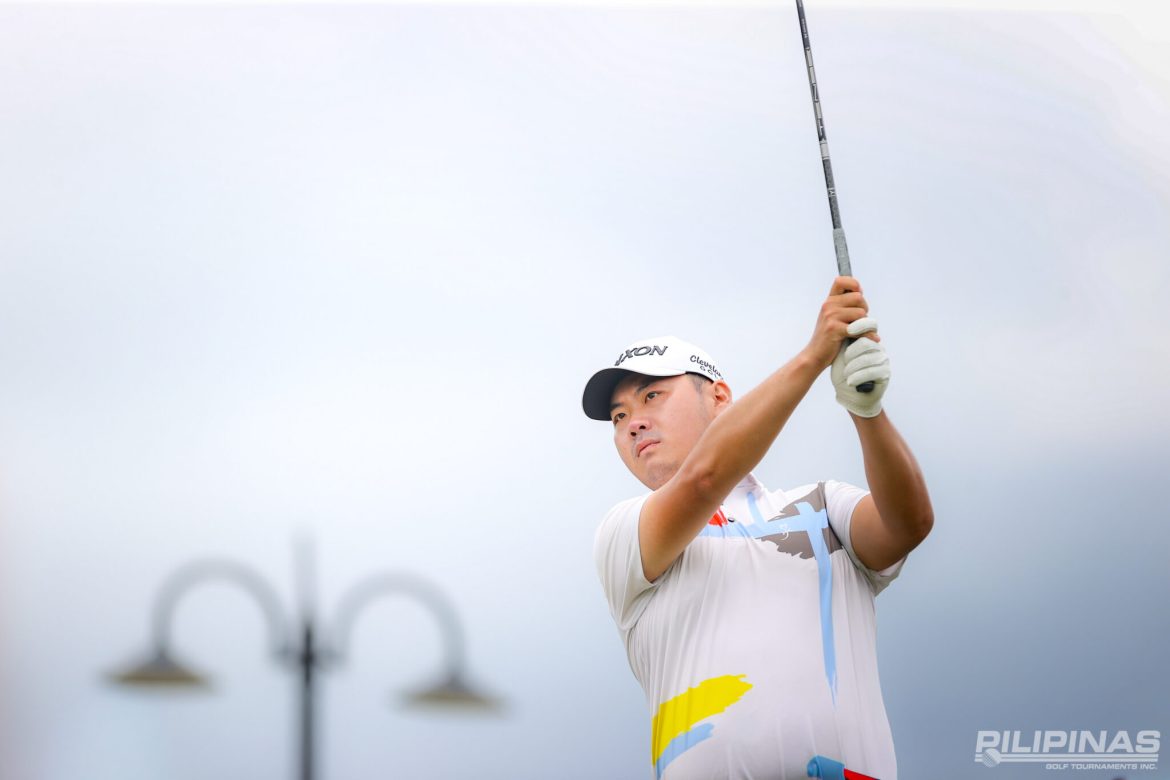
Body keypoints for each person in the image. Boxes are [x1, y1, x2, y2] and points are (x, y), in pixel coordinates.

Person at [582, 277, 933, 780]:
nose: (632, 423)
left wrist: (867, 410)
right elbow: (704, 480)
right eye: (619, 416)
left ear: (720, 396)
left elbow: (908, 525)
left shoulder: (821, 505)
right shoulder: (624, 531)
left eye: (652, 395)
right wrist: (815, 355)